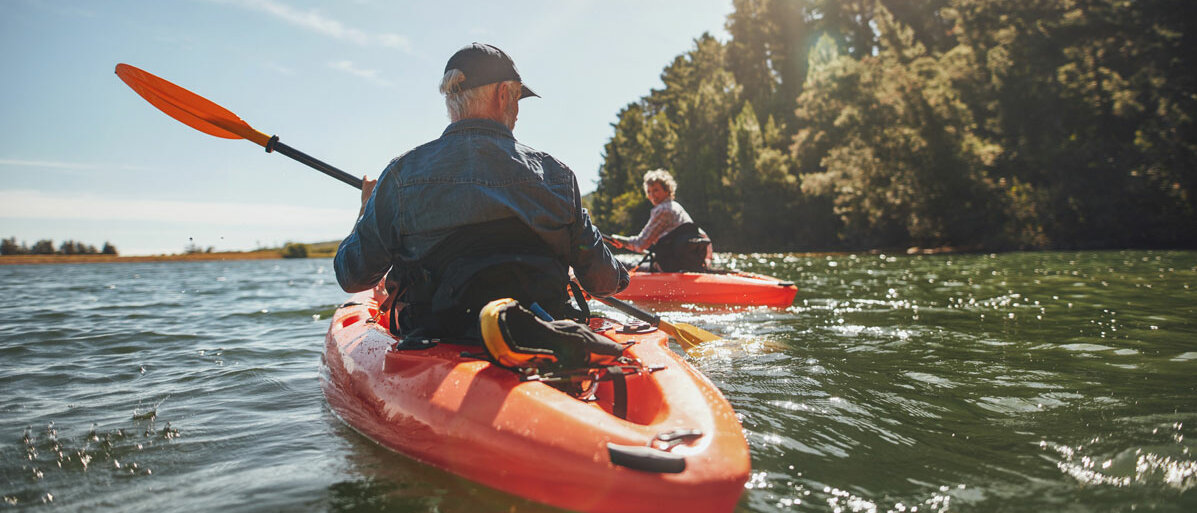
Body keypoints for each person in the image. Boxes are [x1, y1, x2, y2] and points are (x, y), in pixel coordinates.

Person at [334, 43, 628, 342]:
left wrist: (366, 209)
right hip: (544, 336)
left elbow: (353, 276)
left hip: (438, 339)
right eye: (517, 98)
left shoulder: (399, 176)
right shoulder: (557, 176)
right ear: (503, 95)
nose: (517, 110)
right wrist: (620, 273)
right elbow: (603, 281)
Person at [608, 169, 712, 272]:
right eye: (649, 191)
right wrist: (707, 261)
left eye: (656, 190)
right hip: (684, 265)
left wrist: (619, 240)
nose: (652, 195)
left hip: (669, 267)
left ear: (667, 190)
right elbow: (704, 236)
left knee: (616, 263)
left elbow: (640, 244)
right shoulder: (676, 207)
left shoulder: (662, 210)